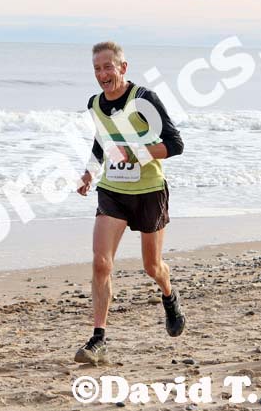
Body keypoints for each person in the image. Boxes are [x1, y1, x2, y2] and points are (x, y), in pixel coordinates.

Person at [74, 41, 185, 365]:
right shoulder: (95, 104)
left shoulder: (143, 99)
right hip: (113, 191)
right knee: (101, 262)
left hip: (149, 190)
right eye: (97, 68)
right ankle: (98, 339)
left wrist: (134, 153)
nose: (102, 74)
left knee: (152, 267)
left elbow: (175, 144)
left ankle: (169, 295)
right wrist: (89, 173)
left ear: (123, 68)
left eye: (108, 67)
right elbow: (102, 140)